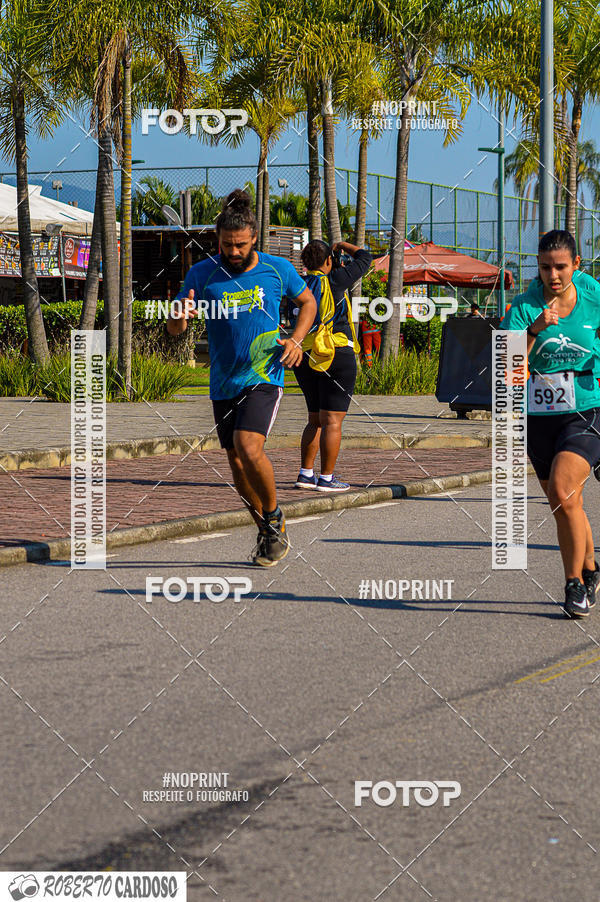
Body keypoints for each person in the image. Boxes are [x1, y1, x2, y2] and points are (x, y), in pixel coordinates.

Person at [167, 189, 317, 566]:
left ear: (254, 239)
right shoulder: (202, 273)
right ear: (217, 240)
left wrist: (297, 340)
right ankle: (268, 529)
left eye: (240, 245)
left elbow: (308, 303)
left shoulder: (276, 269)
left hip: (265, 373)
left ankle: (275, 515)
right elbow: (175, 329)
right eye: (226, 245)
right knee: (236, 463)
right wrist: (179, 313)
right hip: (223, 382)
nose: (233, 252)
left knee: (248, 445)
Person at [500, 229, 600, 618]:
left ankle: (574, 585)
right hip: (539, 418)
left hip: (587, 411)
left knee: (563, 487)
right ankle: (591, 568)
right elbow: (510, 372)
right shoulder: (524, 308)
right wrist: (534, 331)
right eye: (545, 267)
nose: (553, 275)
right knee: (564, 502)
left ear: (576, 264)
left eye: (561, 267)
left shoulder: (593, 296)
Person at [291, 239, 372, 492]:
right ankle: (326, 478)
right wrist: (342, 245)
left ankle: (305, 474)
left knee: (314, 419)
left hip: (305, 355)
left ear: (304, 263)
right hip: (336, 352)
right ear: (329, 261)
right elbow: (366, 258)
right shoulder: (337, 278)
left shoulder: (300, 285)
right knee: (333, 420)